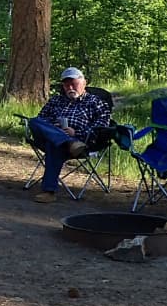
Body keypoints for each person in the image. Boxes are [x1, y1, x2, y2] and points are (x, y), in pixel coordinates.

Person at [29, 66, 111, 203]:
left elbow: (101, 126)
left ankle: (49, 191)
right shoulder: (56, 101)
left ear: (84, 83)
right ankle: (66, 141)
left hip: (80, 142)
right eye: (66, 84)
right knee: (34, 122)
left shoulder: (96, 103)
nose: (70, 87)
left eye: (74, 83)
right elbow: (41, 119)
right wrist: (54, 128)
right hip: (59, 138)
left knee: (54, 145)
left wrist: (76, 133)